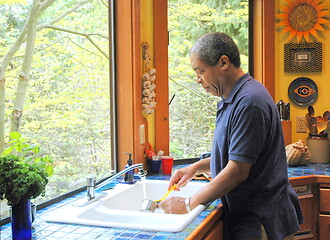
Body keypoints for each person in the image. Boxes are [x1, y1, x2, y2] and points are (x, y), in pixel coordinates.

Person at [158, 32, 303, 240]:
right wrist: (196, 167)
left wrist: (189, 203)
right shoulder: (235, 98)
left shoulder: (249, 102)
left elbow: (238, 170)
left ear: (224, 62)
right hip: (252, 216)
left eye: (201, 71)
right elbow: (238, 155)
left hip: (261, 221)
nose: (198, 80)